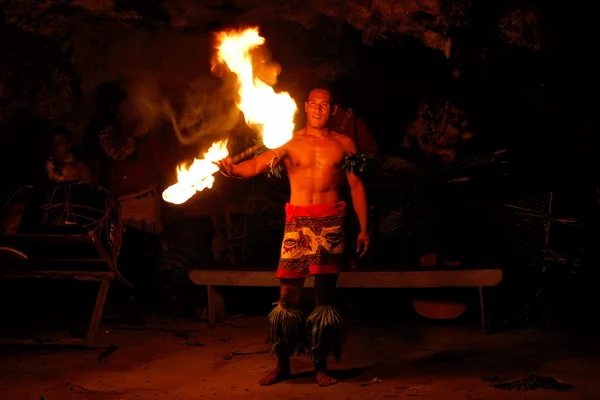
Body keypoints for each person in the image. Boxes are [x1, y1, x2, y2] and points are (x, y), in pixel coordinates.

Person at [218, 85, 370, 387]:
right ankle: (283, 364)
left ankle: (320, 366)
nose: (317, 109)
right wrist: (234, 170)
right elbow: (256, 166)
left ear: (333, 110)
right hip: (297, 223)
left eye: (324, 105)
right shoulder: (287, 140)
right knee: (288, 297)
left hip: (330, 224)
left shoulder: (345, 144)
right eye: (313, 104)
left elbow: (356, 186)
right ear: (304, 106)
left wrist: (365, 228)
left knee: (324, 298)